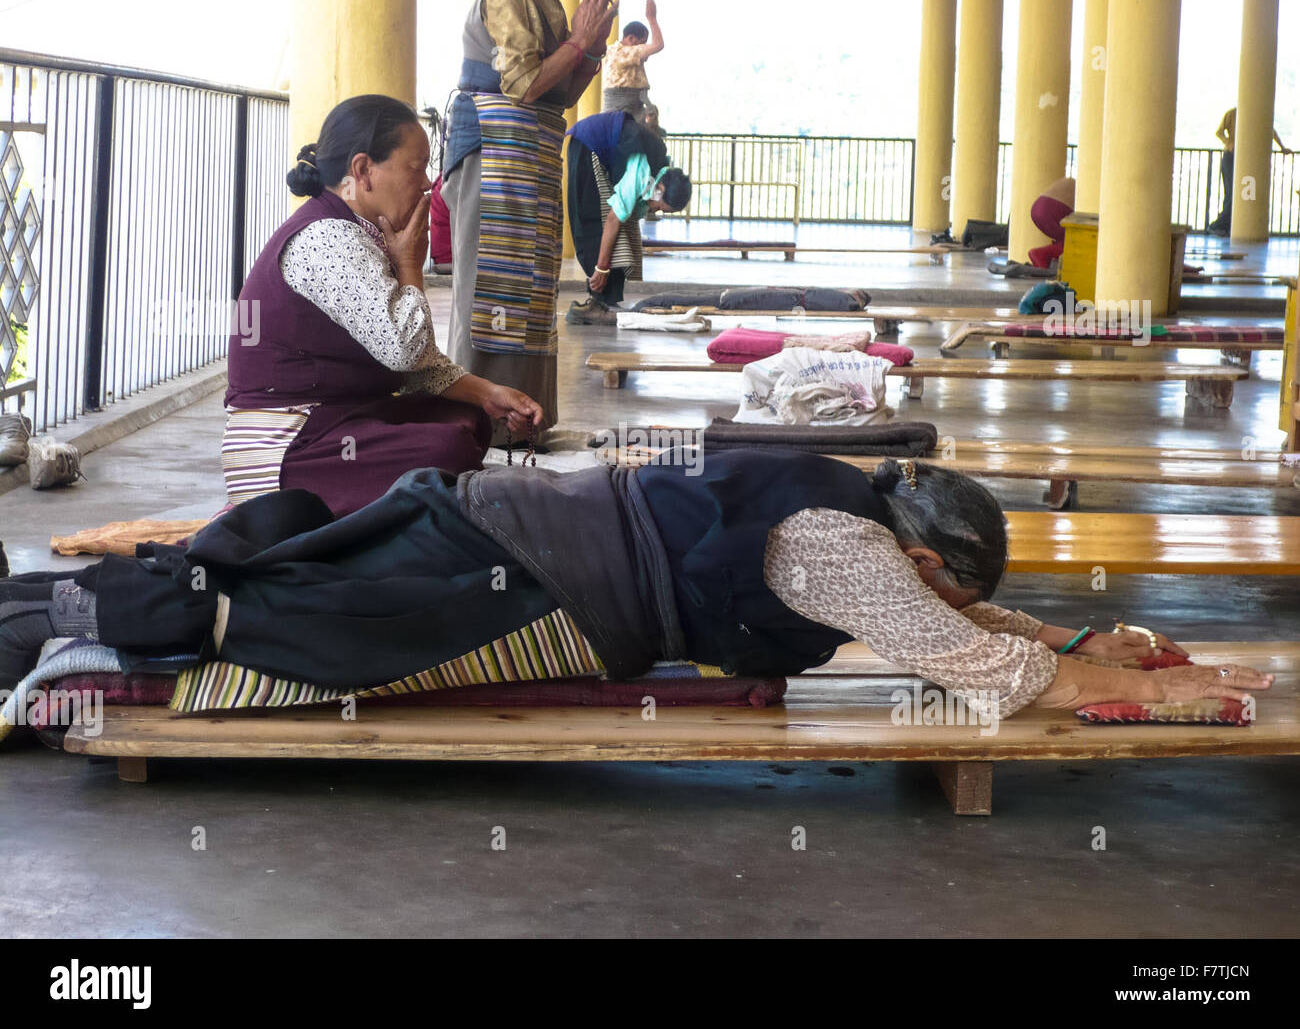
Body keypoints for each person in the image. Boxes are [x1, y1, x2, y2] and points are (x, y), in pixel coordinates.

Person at [0, 452, 1271, 723]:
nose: (928, 593)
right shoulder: (846, 552)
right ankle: (27, 637)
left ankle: (25, 614)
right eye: (939, 581)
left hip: (508, 521)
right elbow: (979, 667)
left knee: (270, 585)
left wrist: (1078, 632)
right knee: (263, 629)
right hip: (522, 576)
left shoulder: (841, 504)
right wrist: (1168, 691)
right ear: (920, 552)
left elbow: (965, 626)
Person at [223, 95, 542, 520]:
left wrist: (489, 395)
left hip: (334, 421)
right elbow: (404, 350)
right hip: (283, 447)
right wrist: (410, 262)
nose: (428, 182)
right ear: (362, 171)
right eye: (416, 167)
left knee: (466, 419)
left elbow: (415, 365)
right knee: (444, 450)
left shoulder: (358, 229)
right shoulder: (328, 239)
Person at [443, 0, 618, 440]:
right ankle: (474, 422)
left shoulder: (546, 3)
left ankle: (522, 422)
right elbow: (522, 84)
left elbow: (559, 93)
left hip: (530, 157)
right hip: (494, 152)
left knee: (532, 286)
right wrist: (579, 42)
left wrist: (592, 46)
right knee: (489, 287)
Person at [564, 109, 692, 322]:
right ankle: (598, 300)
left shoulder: (656, 171)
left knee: (625, 224)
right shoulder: (641, 172)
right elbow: (614, 219)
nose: (655, 210)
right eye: (660, 207)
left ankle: (607, 299)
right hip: (586, 145)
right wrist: (602, 268)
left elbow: (628, 217)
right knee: (594, 221)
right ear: (660, 189)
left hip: (600, 148)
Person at [1208, 107, 1293, 234]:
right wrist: (1229, 143)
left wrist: (1282, 147)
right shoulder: (1232, 114)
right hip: (1231, 156)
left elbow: (1271, 131)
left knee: (1245, 192)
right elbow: (1219, 132)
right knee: (1232, 192)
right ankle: (1218, 226)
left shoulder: (1257, 114)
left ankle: (1227, 226)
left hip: (1247, 158)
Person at [603, 0, 664, 122]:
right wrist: (652, 18)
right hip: (626, 109)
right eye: (643, 43)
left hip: (624, 105)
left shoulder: (610, 51)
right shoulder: (627, 52)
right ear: (631, 38)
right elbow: (658, 45)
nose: (645, 48)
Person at [1027, 176, 1075, 270]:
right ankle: (1041, 254)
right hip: (1053, 208)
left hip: (1037, 208)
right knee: (1076, 241)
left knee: (1066, 240)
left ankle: (1043, 258)